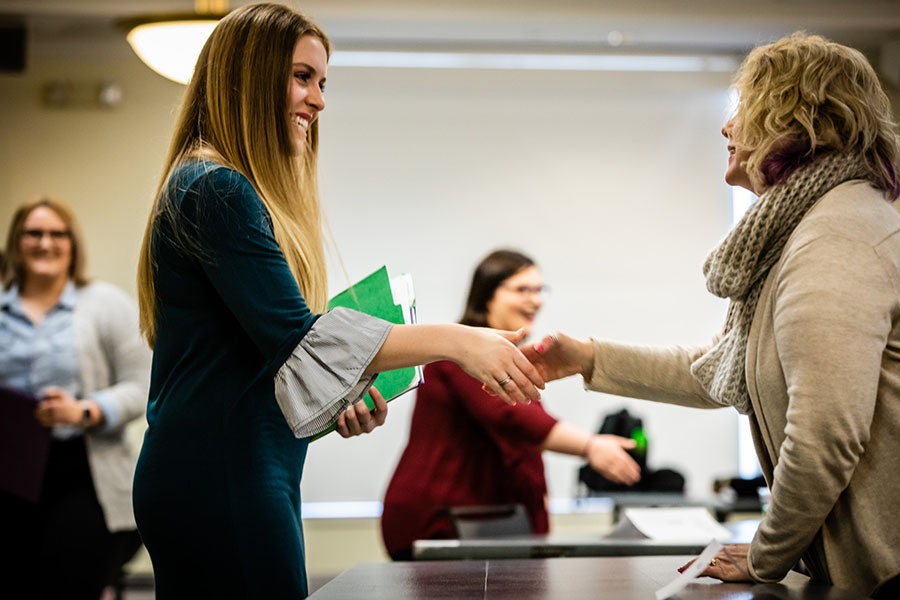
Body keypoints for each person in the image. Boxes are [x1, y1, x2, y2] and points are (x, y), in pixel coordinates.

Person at [131, 4, 545, 599]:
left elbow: (265, 361)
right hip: (219, 472)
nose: (319, 100)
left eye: (322, 82)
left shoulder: (213, 185)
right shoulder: (216, 188)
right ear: (248, 77)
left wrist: (343, 397)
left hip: (237, 464)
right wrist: (459, 340)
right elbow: (304, 341)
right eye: (303, 77)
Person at [523, 33, 900, 598]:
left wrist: (767, 555)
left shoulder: (836, 237)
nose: (727, 128)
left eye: (743, 111)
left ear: (794, 120)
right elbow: (724, 368)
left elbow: (824, 436)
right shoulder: (806, 230)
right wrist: (586, 358)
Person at [380, 250, 640, 559]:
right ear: (487, 296)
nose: (536, 300)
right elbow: (513, 418)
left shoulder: (503, 355)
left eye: (539, 289)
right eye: (522, 289)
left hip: (480, 527)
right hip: (438, 525)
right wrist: (589, 446)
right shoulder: (462, 352)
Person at [0, 197, 149, 599]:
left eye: (56, 233)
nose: (45, 243)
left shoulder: (105, 304)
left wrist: (85, 409)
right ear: (17, 241)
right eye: (33, 233)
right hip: (11, 474)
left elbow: (143, 384)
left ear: (72, 244)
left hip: (83, 474)